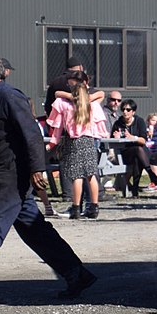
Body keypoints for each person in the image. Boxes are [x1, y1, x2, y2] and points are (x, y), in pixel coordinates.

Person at [0, 57, 97, 298]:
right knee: (35, 229)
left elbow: (31, 134)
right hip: (5, 173)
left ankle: (75, 272)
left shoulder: (9, 96)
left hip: (10, 175)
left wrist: (37, 168)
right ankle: (75, 272)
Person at [46, 77, 108, 219]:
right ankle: (94, 206)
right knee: (91, 174)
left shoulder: (65, 105)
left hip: (74, 141)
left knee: (77, 176)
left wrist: (53, 143)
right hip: (89, 141)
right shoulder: (92, 106)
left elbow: (58, 125)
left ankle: (75, 207)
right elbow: (101, 95)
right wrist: (85, 97)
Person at [109, 99, 157, 196]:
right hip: (124, 153)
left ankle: (135, 189)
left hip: (139, 152)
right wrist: (116, 137)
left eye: (128, 110)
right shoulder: (118, 123)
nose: (125, 112)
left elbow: (143, 140)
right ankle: (150, 174)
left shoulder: (139, 121)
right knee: (138, 151)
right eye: (123, 109)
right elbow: (111, 141)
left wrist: (132, 137)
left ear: (133, 112)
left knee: (138, 155)